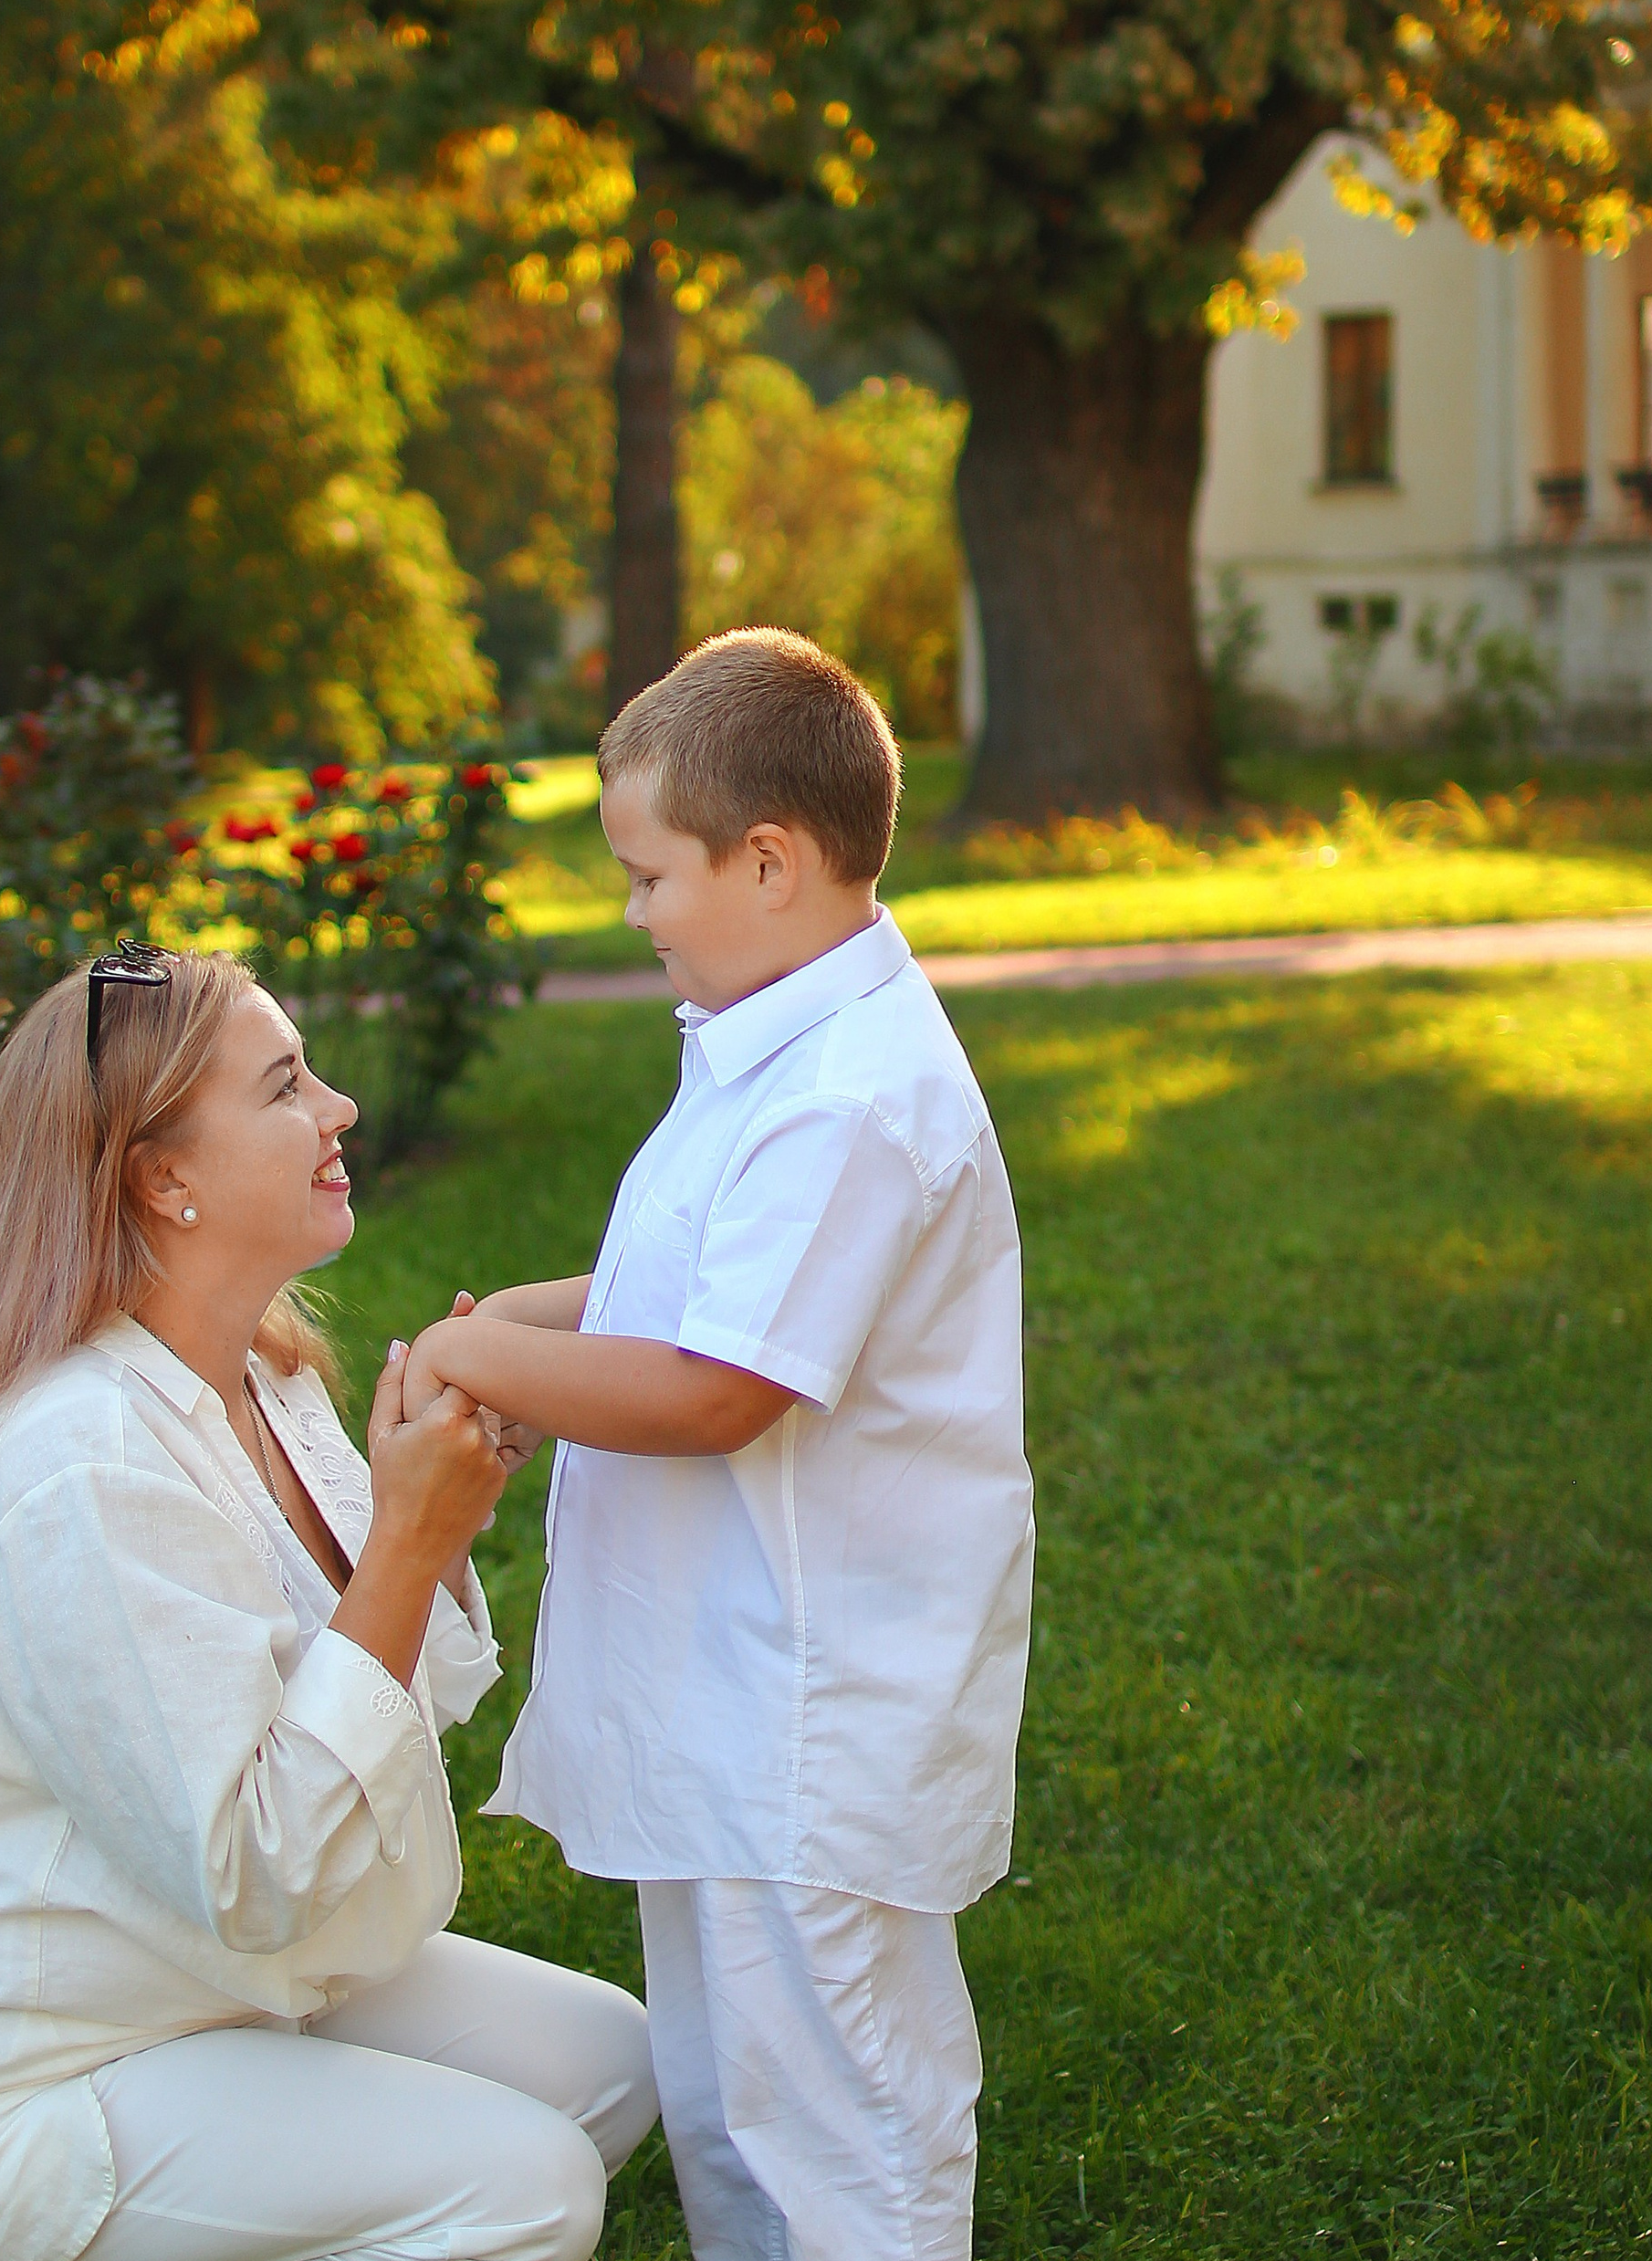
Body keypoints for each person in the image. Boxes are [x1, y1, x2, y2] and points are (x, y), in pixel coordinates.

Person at [0, 946, 657, 2261]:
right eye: (288, 1086)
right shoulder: (82, 1460)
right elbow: (260, 1874)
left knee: (610, 2067)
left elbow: (414, 1688)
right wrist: (408, 1539)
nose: (340, 1109)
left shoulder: (267, 1376)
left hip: (186, 1969)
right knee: (519, 2184)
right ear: (163, 1177)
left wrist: (438, 1519)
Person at [400, 630, 1036, 2260]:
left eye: (646, 877)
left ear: (770, 861)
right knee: (733, 2100)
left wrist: (487, 1362)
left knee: (837, 2114)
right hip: (733, 1700)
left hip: (809, 1718)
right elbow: (675, 1290)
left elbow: (712, 1389)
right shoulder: (777, 1041)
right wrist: (537, 1329)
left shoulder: (846, 1101)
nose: (633, 912)